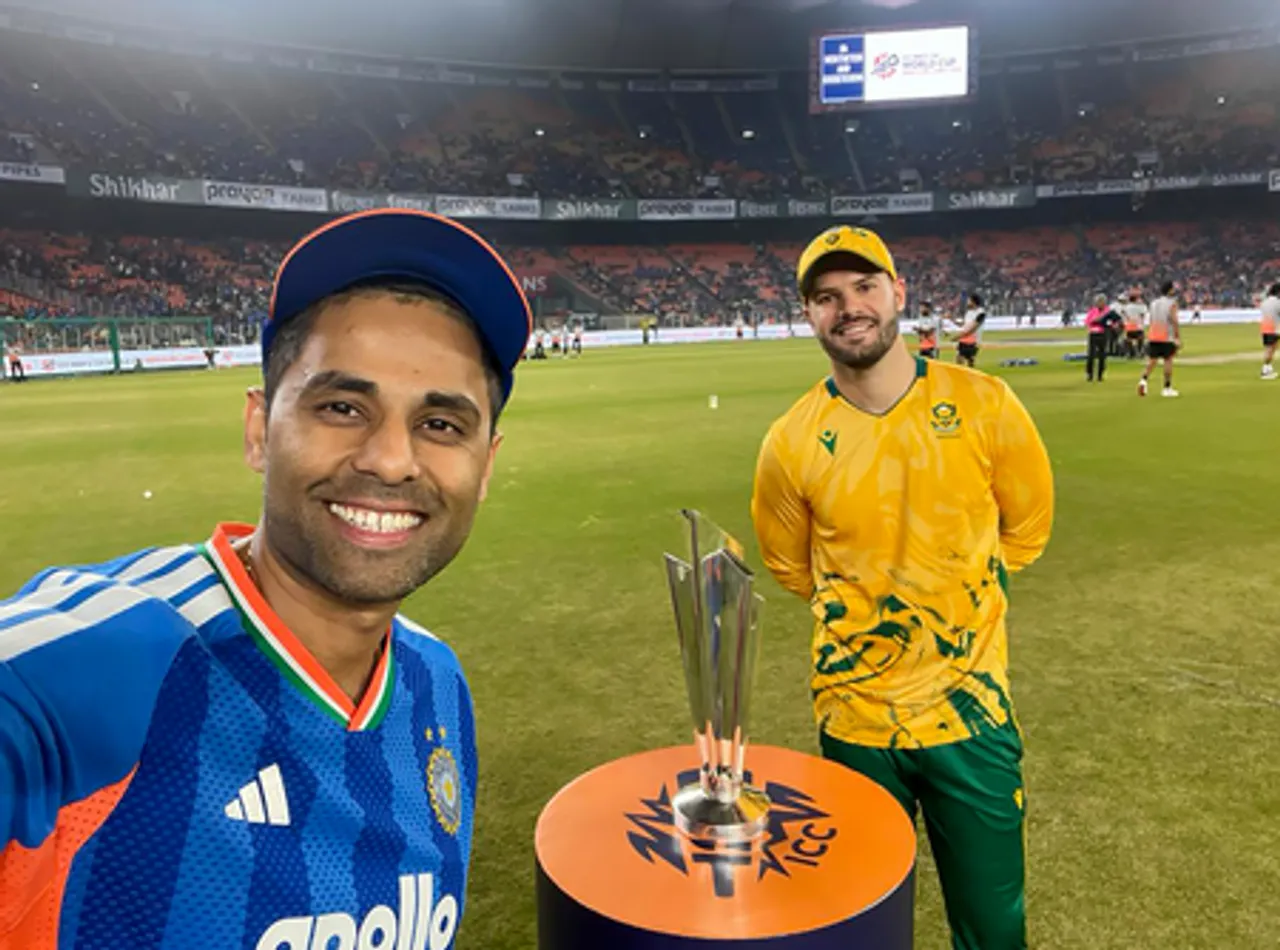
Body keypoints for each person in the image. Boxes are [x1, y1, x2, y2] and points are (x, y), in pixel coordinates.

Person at [0, 209, 532, 949]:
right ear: (260, 429)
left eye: (441, 424)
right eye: (343, 407)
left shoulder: (437, 683)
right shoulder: (101, 661)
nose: (389, 460)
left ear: (486, 467)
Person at [751, 225, 1053, 950]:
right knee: (858, 921)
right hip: (856, 722)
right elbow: (789, 565)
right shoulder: (791, 441)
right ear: (810, 315)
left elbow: (1029, 528)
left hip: (971, 715)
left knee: (993, 925)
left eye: (863, 287)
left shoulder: (986, 404)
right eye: (826, 297)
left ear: (899, 294)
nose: (848, 307)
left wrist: (951, 595)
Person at [1139, 280, 1181, 397]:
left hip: (1154, 334)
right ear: (1170, 290)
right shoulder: (1172, 303)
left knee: (1152, 360)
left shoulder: (1153, 303)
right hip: (1166, 336)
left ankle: (1143, 379)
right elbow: (1174, 320)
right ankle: (1167, 387)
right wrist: (1177, 337)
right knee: (1168, 360)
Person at [1084, 293, 1121, 382]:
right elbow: (1087, 322)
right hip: (1093, 334)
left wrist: (1113, 325)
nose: (1100, 303)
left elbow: (1114, 322)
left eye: (1101, 301)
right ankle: (1090, 374)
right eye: (1098, 301)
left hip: (1103, 334)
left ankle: (1100, 375)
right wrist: (1097, 320)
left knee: (1102, 355)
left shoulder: (1109, 311)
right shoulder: (1092, 311)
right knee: (1091, 355)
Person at [950, 293, 987, 368]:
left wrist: (957, 337)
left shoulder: (981, 313)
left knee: (968, 360)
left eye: (969, 301)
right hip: (964, 339)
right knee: (960, 358)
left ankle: (968, 374)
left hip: (973, 340)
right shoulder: (968, 312)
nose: (967, 302)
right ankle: (963, 375)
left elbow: (972, 329)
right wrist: (952, 319)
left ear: (974, 302)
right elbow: (964, 324)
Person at [1260, 282, 1279, 380]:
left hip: (1264, 327)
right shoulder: (1277, 302)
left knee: (1270, 348)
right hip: (1273, 328)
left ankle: (1268, 368)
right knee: (1271, 349)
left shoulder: (1265, 302)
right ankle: (1265, 369)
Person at [1121, 289, 1147, 360]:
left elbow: (1123, 313)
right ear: (1136, 299)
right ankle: (1140, 352)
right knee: (1140, 339)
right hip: (1138, 326)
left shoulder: (1127, 306)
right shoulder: (1140, 306)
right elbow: (1142, 315)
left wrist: (1127, 319)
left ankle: (1130, 353)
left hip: (1129, 326)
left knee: (1129, 339)